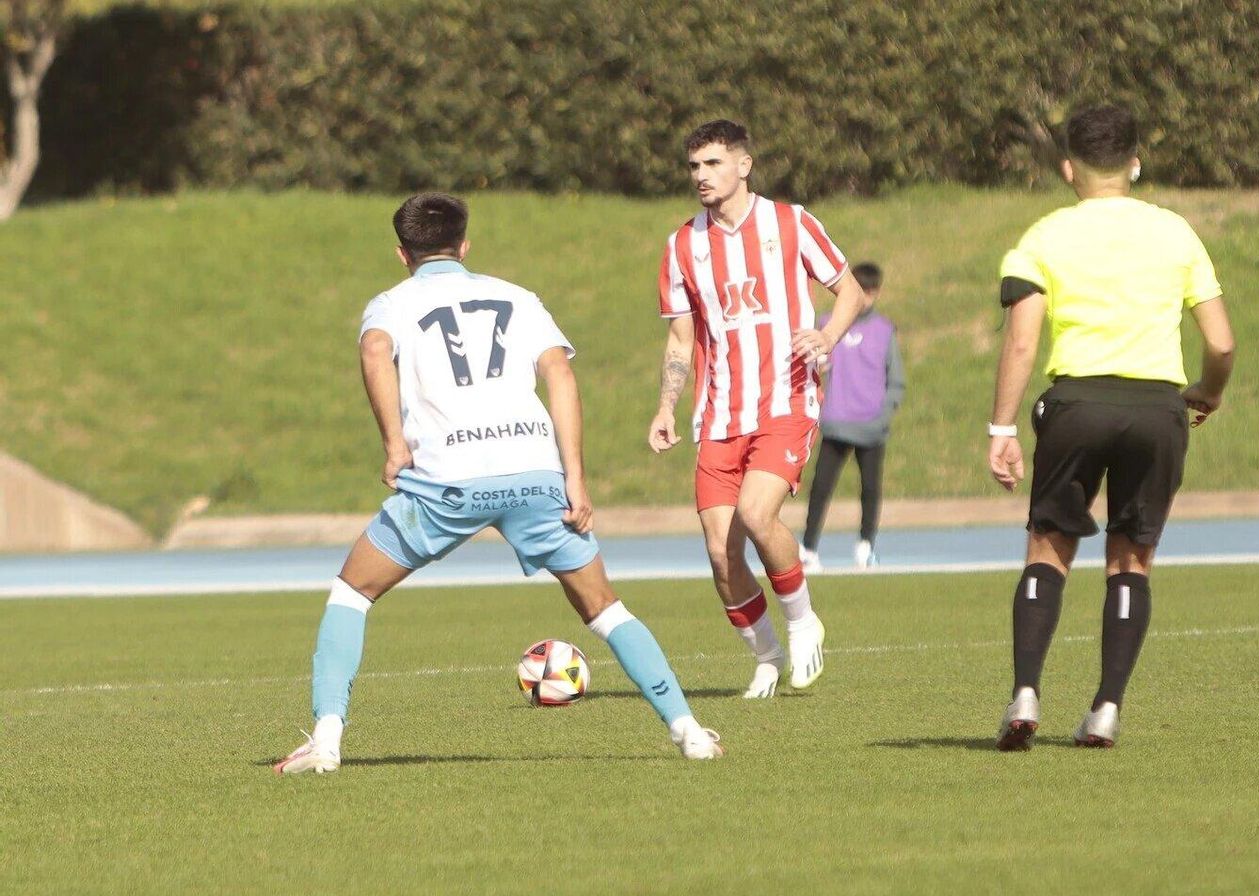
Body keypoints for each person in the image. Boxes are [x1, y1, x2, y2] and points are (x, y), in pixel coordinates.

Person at [275, 193, 722, 774]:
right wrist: (574, 479)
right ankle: (689, 732)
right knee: (604, 607)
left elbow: (375, 350)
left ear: (402, 254)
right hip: (534, 476)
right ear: (464, 246)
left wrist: (395, 444)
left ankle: (326, 741)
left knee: (352, 593)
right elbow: (560, 373)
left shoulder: (390, 304)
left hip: (447, 483)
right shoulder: (518, 297)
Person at [986, 106, 1236, 751]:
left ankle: (1025, 693)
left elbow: (1021, 342)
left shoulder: (1043, 236)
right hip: (1157, 410)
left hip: (1076, 405)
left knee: (1048, 549)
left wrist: (1001, 427)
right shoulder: (1175, 232)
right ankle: (1105, 709)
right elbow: (1222, 343)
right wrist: (1209, 391)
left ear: (1069, 168)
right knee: (1131, 559)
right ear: (1135, 164)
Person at [649, 119, 869, 699]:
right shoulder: (682, 246)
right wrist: (666, 406)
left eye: (713, 163)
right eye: (694, 166)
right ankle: (767, 657)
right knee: (721, 556)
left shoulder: (791, 222)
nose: (701, 175)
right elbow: (680, 339)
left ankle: (802, 619)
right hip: (719, 415)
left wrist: (827, 336)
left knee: (755, 512)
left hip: (786, 401)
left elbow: (850, 290)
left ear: (743, 165)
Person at [799, 262, 906, 569]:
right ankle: (808, 549)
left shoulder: (884, 330)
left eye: (871, 292)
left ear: (877, 292)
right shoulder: (826, 324)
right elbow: (810, 369)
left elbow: (896, 380)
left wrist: (883, 416)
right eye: (861, 290)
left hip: (871, 426)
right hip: (835, 423)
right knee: (820, 488)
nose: (866, 298)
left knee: (870, 489)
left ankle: (865, 546)